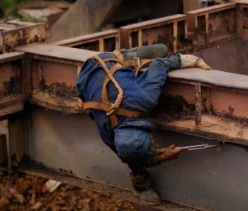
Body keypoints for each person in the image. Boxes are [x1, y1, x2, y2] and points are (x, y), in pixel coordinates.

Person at [76, 44, 211, 205]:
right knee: (130, 151)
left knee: (162, 50)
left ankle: (126, 55)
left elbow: (160, 64)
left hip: (106, 61)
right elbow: (128, 157)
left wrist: (190, 60)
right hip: (84, 78)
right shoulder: (108, 134)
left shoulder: (145, 98)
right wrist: (160, 158)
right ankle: (141, 186)